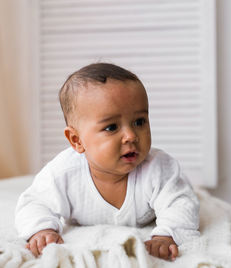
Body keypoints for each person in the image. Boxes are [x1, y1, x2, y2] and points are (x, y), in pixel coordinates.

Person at [15, 63, 200, 261]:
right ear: (77, 140)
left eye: (139, 122)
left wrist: (166, 234)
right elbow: (33, 203)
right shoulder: (64, 172)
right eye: (111, 127)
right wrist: (41, 229)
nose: (130, 136)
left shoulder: (158, 168)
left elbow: (181, 204)